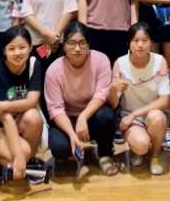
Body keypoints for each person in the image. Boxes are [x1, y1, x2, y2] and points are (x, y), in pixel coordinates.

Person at [44, 21, 118, 175]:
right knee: (59, 148)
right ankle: (72, 151)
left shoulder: (101, 60)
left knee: (107, 116)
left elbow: (102, 94)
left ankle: (105, 154)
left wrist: (83, 117)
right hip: (67, 119)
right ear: (64, 45)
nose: (77, 49)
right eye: (72, 43)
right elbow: (55, 109)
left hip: (92, 116)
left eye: (82, 43)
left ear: (89, 44)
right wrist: (72, 134)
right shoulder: (53, 70)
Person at [0, 25, 45, 183]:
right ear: (4, 51)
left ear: (30, 47)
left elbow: (32, 101)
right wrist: (18, 155)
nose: (17, 53)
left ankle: (24, 163)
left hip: (16, 122)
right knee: (23, 152)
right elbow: (6, 119)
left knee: (34, 117)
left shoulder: (33, 65)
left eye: (22, 47)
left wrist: (3, 106)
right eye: (12, 48)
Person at [107, 22, 170, 175]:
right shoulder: (120, 63)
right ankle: (138, 149)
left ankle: (155, 155)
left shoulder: (160, 61)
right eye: (135, 40)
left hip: (152, 114)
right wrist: (114, 90)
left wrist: (134, 114)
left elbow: (164, 101)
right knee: (141, 146)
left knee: (156, 117)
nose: (140, 45)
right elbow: (113, 104)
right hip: (129, 119)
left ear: (151, 42)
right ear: (128, 43)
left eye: (145, 40)